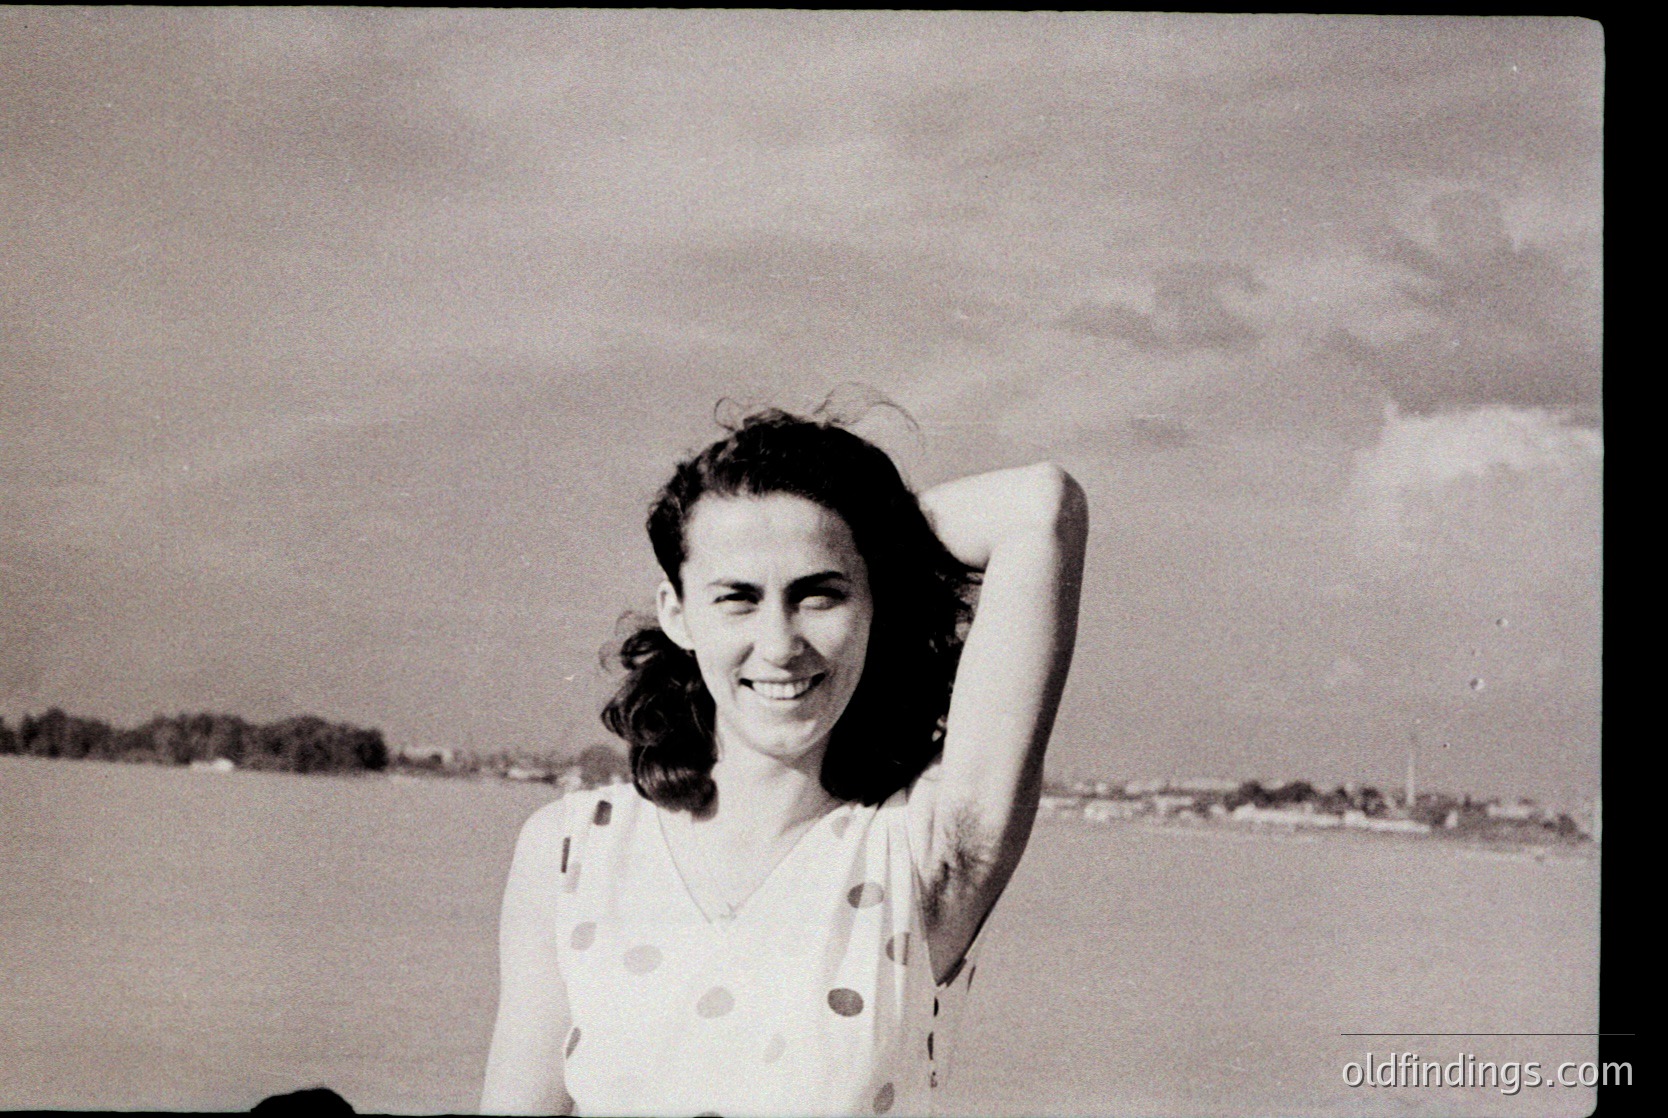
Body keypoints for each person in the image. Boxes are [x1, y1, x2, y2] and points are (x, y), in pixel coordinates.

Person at [481, 407, 1087, 1116]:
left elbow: (1040, 506)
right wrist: (818, 544)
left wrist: (863, 532)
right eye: (737, 599)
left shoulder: (923, 853)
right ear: (677, 613)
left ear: (873, 602)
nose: (778, 645)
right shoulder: (569, 851)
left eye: (819, 594)